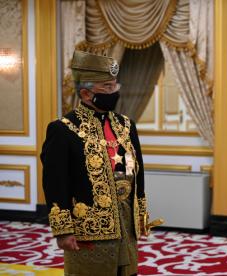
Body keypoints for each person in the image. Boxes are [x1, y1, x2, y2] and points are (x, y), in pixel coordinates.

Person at [41, 50, 147, 276]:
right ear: (87, 94)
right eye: (107, 87)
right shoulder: (62, 129)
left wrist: (141, 215)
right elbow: (55, 182)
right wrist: (62, 230)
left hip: (126, 225)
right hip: (88, 228)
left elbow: (138, 172)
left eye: (114, 85)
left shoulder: (127, 125)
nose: (114, 91)